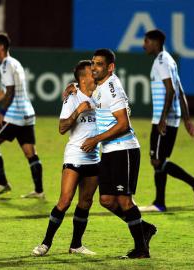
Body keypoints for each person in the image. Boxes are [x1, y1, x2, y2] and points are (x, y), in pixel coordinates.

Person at [80, 48, 156, 259]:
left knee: (124, 201)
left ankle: (141, 249)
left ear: (110, 67)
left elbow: (123, 124)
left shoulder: (112, 87)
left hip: (124, 150)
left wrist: (95, 139)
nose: (94, 67)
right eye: (93, 63)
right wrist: (73, 88)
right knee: (106, 200)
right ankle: (144, 228)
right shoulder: (100, 86)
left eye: (99, 64)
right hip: (110, 151)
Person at [32, 60, 99, 256]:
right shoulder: (72, 98)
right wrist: (79, 111)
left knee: (85, 202)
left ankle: (76, 245)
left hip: (94, 158)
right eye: (90, 71)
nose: (94, 73)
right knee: (65, 200)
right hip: (75, 156)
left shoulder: (100, 94)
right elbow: (62, 128)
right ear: (82, 78)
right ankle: (45, 243)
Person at [139, 29, 194, 212]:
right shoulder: (167, 60)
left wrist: (162, 119)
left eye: (146, 41)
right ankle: (159, 203)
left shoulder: (162, 61)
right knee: (158, 160)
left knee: (157, 161)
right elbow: (181, 91)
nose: (143, 45)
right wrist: (187, 120)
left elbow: (170, 90)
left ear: (155, 42)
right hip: (170, 117)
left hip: (165, 119)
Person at [0, 32, 44, 198]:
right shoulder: (14, 63)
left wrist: (1, 114)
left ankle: (3, 183)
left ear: (1, 47)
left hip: (14, 115)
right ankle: (39, 191)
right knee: (30, 152)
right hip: (27, 113)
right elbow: (4, 90)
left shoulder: (5, 64)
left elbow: (10, 92)